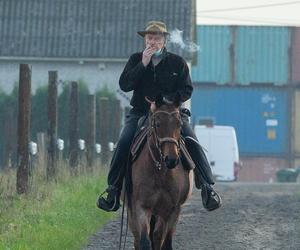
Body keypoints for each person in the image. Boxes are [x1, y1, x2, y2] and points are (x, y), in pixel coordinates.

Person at [97, 21, 222, 212]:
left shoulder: (177, 62)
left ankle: (207, 187)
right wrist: (143, 64)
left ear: (164, 41)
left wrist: (165, 101)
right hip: (140, 113)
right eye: (149, 38)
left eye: (156, 38)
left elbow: (187, 89)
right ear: (145, 40)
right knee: (123, 141)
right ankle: (113, 190)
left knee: (192, 140)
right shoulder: (135, 59)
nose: (152, 42)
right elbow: (125, 85)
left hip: (171, 114)